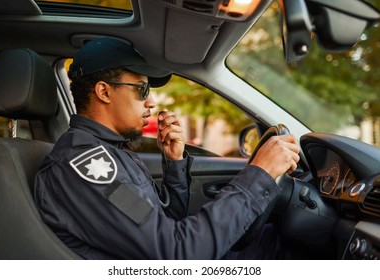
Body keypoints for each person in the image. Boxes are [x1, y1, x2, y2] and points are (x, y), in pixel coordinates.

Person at [34, 38, 300, 260]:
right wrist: (259, 174)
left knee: (274, 238)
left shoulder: (109, 150)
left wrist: (173, 164)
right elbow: (176, 253)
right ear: (104, 92)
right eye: (142, 89)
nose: (151, 101)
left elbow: (162, 221)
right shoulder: (85, 165)